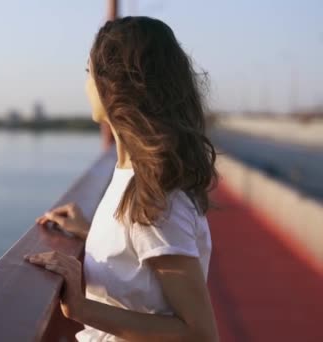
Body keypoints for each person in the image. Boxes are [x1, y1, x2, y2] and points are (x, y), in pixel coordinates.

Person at [25, 16, 219, 341]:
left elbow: (199, 334)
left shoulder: (156, 198)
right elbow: (141, 255)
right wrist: (91, 231)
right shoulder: (132, 176)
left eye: (89, 73)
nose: (86, 85)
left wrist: (80, 308)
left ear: (113, 84)